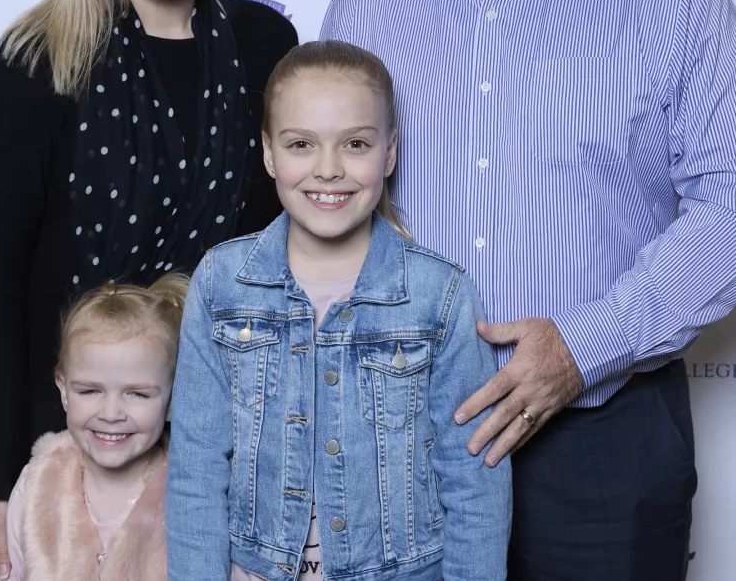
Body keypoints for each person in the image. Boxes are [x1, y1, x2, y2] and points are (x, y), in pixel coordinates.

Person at [320, 0, 736, 581]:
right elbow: (324, 211)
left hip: (606, 438)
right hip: (403, 439)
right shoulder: (361, 11)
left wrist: (583, 347)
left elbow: (730, 208)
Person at [0, 0, 298, 581]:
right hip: (71, 460)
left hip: (227, 449)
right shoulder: (40, 59)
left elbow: (293, 255)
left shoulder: (266, 42)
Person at [166, 41, 512, 581]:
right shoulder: (221, 283)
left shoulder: (438, 295)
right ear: (268, 153)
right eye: (302, 144)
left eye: (354, 143)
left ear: (390, 152)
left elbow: (475, 485)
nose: (328, 170)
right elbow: (196, 472)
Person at [5, 274, 187, 581]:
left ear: (172, 400)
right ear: (63, 390)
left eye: (137, 394)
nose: (111, 413)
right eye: (90, 391)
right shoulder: (37, 484)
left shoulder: (191, 491)